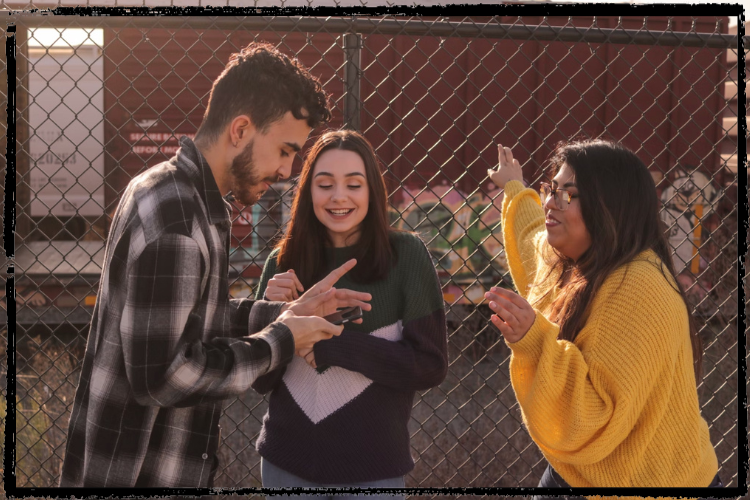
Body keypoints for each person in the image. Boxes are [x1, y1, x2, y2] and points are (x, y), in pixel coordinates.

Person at [59, 43, 372, 488]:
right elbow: (167, 377)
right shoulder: (179, 220)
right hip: (138, 475)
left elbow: (189, 318)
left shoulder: (171, 192)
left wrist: (286, 313)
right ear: (241, 129)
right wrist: (281, 340)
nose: (287, 171)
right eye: (284, 150)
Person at [484, 140, 721, 496]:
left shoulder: (637, 286)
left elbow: (594, 416)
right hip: (588, 471)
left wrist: (534, 340)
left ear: (610, 205)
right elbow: (532, 239)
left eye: (569, 194)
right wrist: (515, 186)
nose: (550, 201)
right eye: (551, 190)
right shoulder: (574, 262)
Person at [251, 130, 448, 498]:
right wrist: (271, 315)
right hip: (285, 466)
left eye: (353, 184)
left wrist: (335, 346)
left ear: (372, 190)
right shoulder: (281, 262)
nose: (339, 196)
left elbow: (430, 365)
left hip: (373, 470)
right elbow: (260, 381)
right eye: (325, 184)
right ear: (308, 191)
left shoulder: (406, 255)